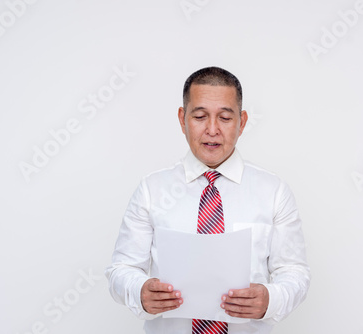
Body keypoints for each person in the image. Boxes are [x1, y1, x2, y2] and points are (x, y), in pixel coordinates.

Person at [105, 66, 310, 333]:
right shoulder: (151, 190)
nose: (212, 130)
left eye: (225, 118)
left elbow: (295, 272)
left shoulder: (274, 192)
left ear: (242, 121)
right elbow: (122, 268)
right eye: (200, 116)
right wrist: (139, 290)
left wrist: (271, 300)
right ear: (182, 119)